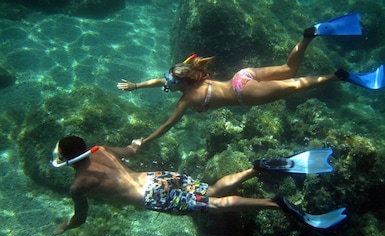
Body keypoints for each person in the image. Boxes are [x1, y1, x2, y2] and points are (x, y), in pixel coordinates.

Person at [117, 14, 383, 145]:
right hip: (242, 76)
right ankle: (309, 35)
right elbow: (158, 81)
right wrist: (137, 86)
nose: (166, 83)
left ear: (181, 83)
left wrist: (144, 141)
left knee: (295, 84)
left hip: (245, 94)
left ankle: (339, 76)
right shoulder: (193, 77)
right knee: (289, 69)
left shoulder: (186, 100)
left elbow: (166, 126)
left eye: (169, 82)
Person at [52, 136, 346, 235]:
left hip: (151, 197)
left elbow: (81, 218)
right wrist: (134, 144)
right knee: (211, 190)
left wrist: (67, 226)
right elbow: (130, 151)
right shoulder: (101, 150)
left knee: (214, 205)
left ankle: (276, 204)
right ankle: (255, 168)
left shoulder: (78, 185)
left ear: (67, 159)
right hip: (159, 177)